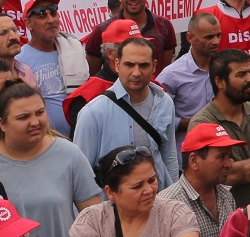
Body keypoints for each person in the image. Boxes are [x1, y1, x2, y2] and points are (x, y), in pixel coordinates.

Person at [66, 146, 199, 237]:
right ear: (110, 192)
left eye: (152, 180)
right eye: (137, 186)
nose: (149, 190)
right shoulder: (91, 219)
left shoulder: (176, 213)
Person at [0, 84, 100, 237]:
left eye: (40, 113)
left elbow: (95, 219)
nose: (35, 122)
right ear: (2, 123)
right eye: (23, 117)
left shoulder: (69, 153)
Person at [70, 37, 179, 187]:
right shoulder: (93, 112)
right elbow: (81, 172)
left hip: (158, 200)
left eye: (143, 65)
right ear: (117, 64)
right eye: (129, 65)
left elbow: (169, 156)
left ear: (154, 66)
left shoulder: (165, 102)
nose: (136, 72)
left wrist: (172, 198)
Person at [188, 50, 250, 206]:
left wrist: (245, 167)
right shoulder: (202, 124)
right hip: (230, 217)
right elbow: (222, 175)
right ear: (220, 82)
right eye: (241, 75)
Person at [160, 122, 242, 237]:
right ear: (194, 161)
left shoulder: (226, 195)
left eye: (229, 156)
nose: (229, 164)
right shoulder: (167, 204)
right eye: (221, 157)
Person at [12, 0, 88, 139]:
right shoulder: (19, 60)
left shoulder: (74, 49)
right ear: (28, 24)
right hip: (44, 140)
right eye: (41, 15)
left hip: (81, 133)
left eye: (53, 13)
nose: (51, 20)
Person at [153, 10, 220, 148]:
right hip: (184, 156)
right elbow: (155, 118)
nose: (216, 41)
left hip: (219, 150)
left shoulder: (224, 67)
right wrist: (193, 123)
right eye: (208, 37)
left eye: (218, 35)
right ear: (190, 38)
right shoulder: (172, 75)